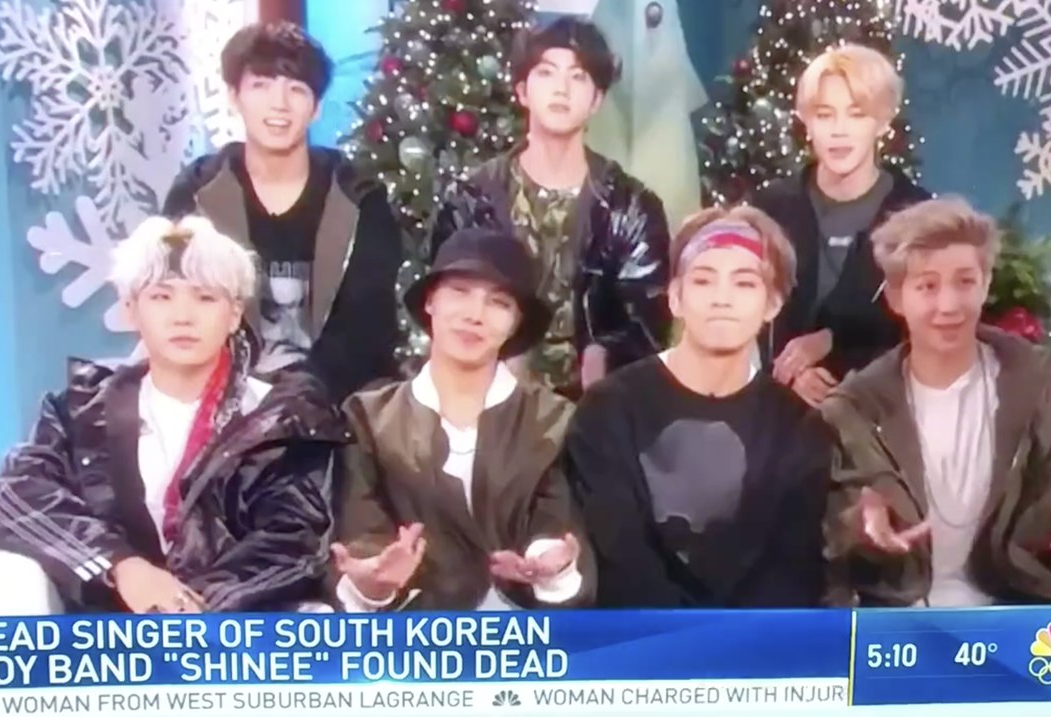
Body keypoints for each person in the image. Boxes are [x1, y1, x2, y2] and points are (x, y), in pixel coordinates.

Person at [0, 217, 344, 615]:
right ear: (130, 310)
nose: (183, 316)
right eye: (161, 297)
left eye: (205, 298)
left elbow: (294, 542)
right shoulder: (81, 410)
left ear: (234, 313)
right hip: (109, 621)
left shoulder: (279, 416)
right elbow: (14, 492)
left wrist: (178, 608)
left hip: (234, 625)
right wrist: (121, 565)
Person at [819, 197, 1051, 607]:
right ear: (897, 297)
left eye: (965, 282)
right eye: (928, 286)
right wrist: (860, 523)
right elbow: (827, 523)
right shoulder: (856, 408)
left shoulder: (1046, 385)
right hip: (897, 618)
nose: (948, 305)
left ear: (985, 283)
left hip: (1023, 610)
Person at [567, 206, 833, 608]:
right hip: (638, 638)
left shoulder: (799, 427)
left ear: (773, 304)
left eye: (744, 283)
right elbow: (619, 558)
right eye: (704, 280)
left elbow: (792, 571)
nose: (722, 299)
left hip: (756, 641)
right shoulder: (608, 411)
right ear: (675, 296)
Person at [332, 226, 593, 611]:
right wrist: (373, 582)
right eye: (459, 292)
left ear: (517, 322)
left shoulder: (554, 420)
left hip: (528, 636)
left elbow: (557, 525)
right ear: (430, 302)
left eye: (499, 303)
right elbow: (363, 537)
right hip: (413, 637)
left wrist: (551, 568)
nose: (475, 315)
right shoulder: (369, 418)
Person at [430, 17, 671, 399]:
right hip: (484, 397)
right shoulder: (471, 199)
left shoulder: (631, 207)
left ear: (596, 99)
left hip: (596, 407)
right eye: (546, 72)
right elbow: (444, 305)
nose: (561, 89)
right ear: (522, 91)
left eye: (578, 76)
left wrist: (602, 357)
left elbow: (648, 325)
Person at [164, 21, 402, 401]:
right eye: (261, 85)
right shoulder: (197, 193)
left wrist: (299, 395)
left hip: (340, 404)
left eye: (296, 89)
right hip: (221, 402)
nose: (279, 104)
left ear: (316, 108)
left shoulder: (359, 198)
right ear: (234, 96)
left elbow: (367, 330)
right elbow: (177, 305)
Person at [756, 44, 931, 407]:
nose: (839, 131)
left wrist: (833, 346)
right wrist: (791, 374)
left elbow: (923, 332)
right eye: (825, 115)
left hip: (880, 413)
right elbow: (748, 315)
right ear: (806, 122)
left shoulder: (916, 215)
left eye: (856, 114)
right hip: (776, 409)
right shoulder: (771, 208)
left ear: (883, 122)